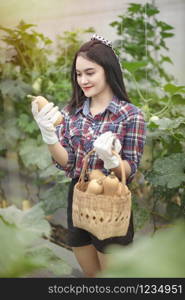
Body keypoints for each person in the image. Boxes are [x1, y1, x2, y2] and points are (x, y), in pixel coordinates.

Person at [31, 34, 146, 277]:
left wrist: (113, 160)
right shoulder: (72, 112)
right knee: (92, 276)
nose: (83, 80)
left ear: (108, 70)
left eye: (90, 72)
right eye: (78, 74)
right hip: (80, 196)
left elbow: (130, 169)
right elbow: (69, 163)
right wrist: (50, 137)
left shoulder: (130, 115)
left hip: (111, 199)